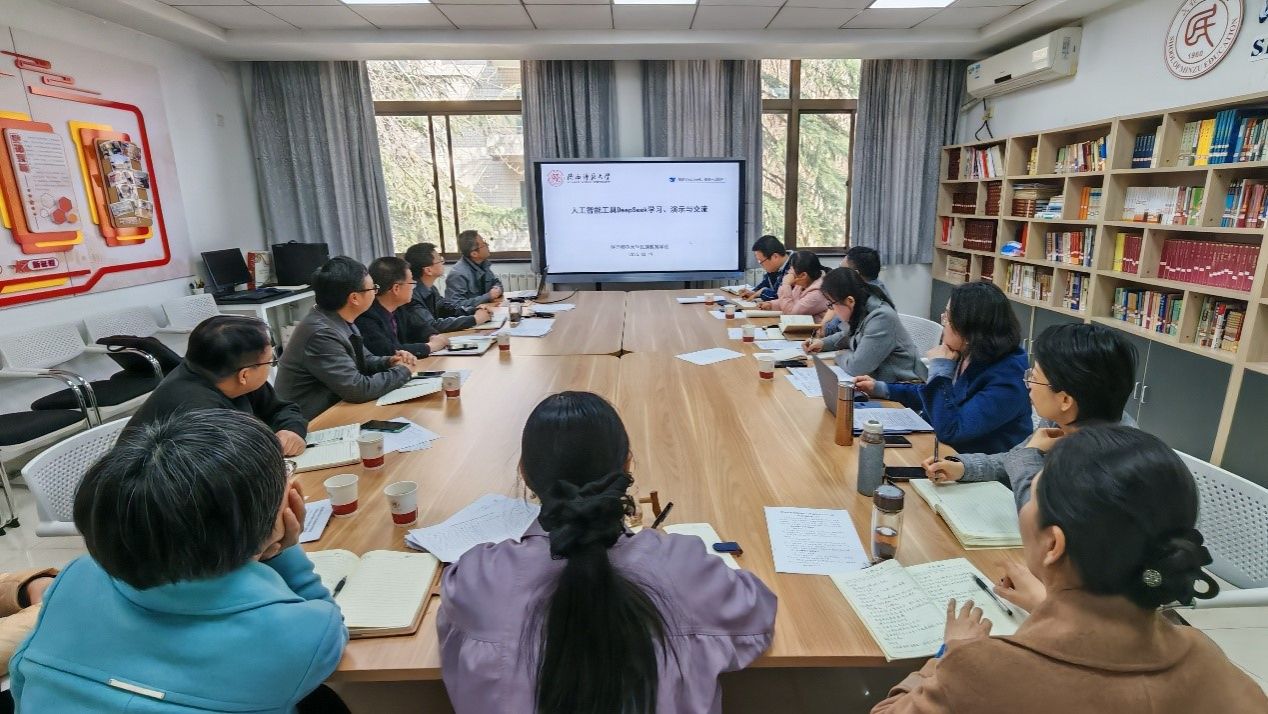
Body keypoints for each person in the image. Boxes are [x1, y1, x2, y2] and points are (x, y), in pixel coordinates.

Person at [872, 426, 1267, 713]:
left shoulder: (980, 669)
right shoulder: (1204, 659)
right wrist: (1048, 603)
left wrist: (948, 652)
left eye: (1031, 497)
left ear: (1053, 545)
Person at [438, 391, 777, 714]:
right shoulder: (684, 567)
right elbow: (758, 611)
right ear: (626, 467)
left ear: (525, 473)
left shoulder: (478, 578)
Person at [10, 410, 349, 713]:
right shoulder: (298, 633)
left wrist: (261, 539)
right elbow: (327, 626)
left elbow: (22, 681)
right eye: (285, 473)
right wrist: (282, 548)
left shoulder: (76, 576)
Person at [922, 323, 1138, 508]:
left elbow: (1038, 516)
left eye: (1034, 377)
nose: (1028, 384)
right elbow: (1014, 459)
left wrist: (1029, 454)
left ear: (1065, 400)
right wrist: (962, 468)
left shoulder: (1110, 461)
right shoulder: (1068, 418)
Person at [854, 281, 1030, 455]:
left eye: (948, 317)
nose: (944, 323)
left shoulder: (1007, 378)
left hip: (976, 464)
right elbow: (934, 394)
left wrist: (940, 369)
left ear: (969, 329)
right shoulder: (971, 351)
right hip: (945, 453)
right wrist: (882, 388)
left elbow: (952, 430)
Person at [126, 315, 309, 456]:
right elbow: (226, 467)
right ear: (244, 375)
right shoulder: (197, 412)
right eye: (271, 360)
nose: (271, 364)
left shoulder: (227, 372)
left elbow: (283, 409)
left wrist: (291, 431)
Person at [276, 256, 416, 419]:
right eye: (373, 288)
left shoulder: (338, 318)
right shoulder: (321, 333)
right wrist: (403, 371)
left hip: (335, 408)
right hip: (309, 422)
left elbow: (364, 359)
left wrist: (390, 361)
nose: (375, 292)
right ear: (354, 298)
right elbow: (358, 389)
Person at [804, 268, 926, 384]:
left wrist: (839, 355)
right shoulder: (862, 308)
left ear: (850, 301)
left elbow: (857, 368)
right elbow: (849, 334)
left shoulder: (881, 318)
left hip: (902, 385)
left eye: (832, 304)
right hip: (879, 381)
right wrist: (823, 343)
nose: (832, 310)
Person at [356, 256, 450, 359]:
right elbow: (387, 351)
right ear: (396, 288)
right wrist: (430, 346)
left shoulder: (399, 308)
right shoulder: (366, 316)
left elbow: (420, 327)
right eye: (411, 283)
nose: (413, 287)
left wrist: (432, 336)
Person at [401, 241, 492, 336]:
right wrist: (474, 319)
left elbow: (446, 309)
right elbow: (431, 326)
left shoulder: (430, 288)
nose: (442, 263)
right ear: (428, 270)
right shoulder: (411, 295)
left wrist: (473, 310)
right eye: (439, 260)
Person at [821, 246, 889, 340]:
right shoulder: (877, 288)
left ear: (854, 274)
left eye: (842, 270)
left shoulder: (864, 298)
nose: (839, 274)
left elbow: (827, 331)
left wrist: (834, 302)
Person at [758, 251, 829, 320]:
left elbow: (791, 314)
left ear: (803, 275)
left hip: (812, 327)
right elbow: (791, 302)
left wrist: (786, 285)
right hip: (800, 325)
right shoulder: (802, 283)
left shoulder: (817, 293)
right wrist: (771, 304)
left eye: (791, 269)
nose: (789, 273)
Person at [444, 230, 503, 310]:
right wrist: (488, 296)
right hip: (472, 316)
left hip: (487, 311)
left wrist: (497, 289)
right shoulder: (457, 274)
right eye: (483, 244)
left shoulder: (483, 264)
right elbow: (455, 306)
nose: (487, 245)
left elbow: (496, 282)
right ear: (474, 254)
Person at [742, 235, 794, 302]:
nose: (761, 265)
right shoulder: (776, 267)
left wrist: (762, 292)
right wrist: (754, 292)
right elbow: (767, 283)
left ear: (775, 256)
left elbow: (780, 296)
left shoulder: (796, 266)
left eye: (761, 261)